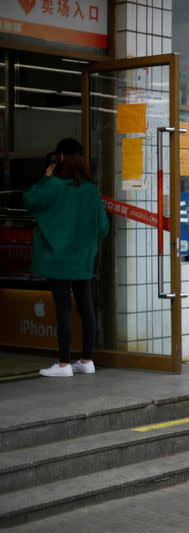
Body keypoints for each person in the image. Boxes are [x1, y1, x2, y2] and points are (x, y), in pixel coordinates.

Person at [24, 138, 109, 377]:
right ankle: (87, 360)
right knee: (86, 305)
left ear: (60, 158)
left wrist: (47, 177)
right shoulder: (91, 190)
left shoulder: (54, 186)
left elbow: (30, 200)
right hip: (83, 258)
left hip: (58, 258)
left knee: (63, 307)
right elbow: (103, 227)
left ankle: (63, 364)